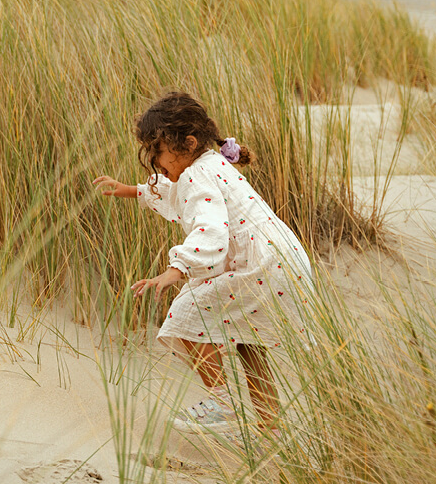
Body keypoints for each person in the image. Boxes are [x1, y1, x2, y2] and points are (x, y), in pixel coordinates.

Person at [92, 91, 313, 443]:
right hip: (281, 260)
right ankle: (270, 429)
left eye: (157, 150)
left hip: (261, 265)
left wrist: (177, 268)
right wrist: (133, 191)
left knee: (186, 314)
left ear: (189, 144)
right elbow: (178, 194)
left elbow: (210, 227)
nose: (154, 160)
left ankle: (223, 404)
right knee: (247, 343)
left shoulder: (196, 174)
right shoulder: (211, 164)